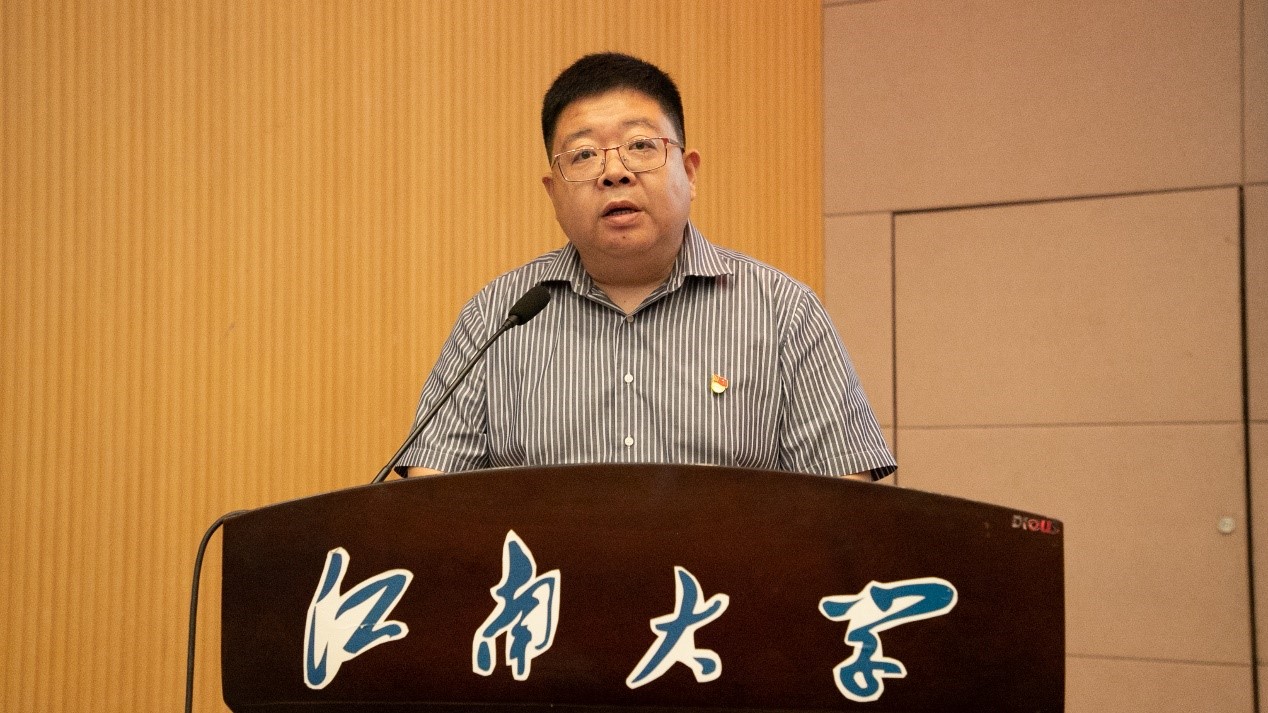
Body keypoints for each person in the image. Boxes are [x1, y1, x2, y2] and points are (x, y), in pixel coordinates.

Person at [398, 52, 895, 481]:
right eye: (584, 154)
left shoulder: (784, 312)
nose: (614, 172)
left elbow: (845, 504)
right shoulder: (496, 317)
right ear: (553, 193)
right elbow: (432, 499)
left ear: (690, 172)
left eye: (640, 146)